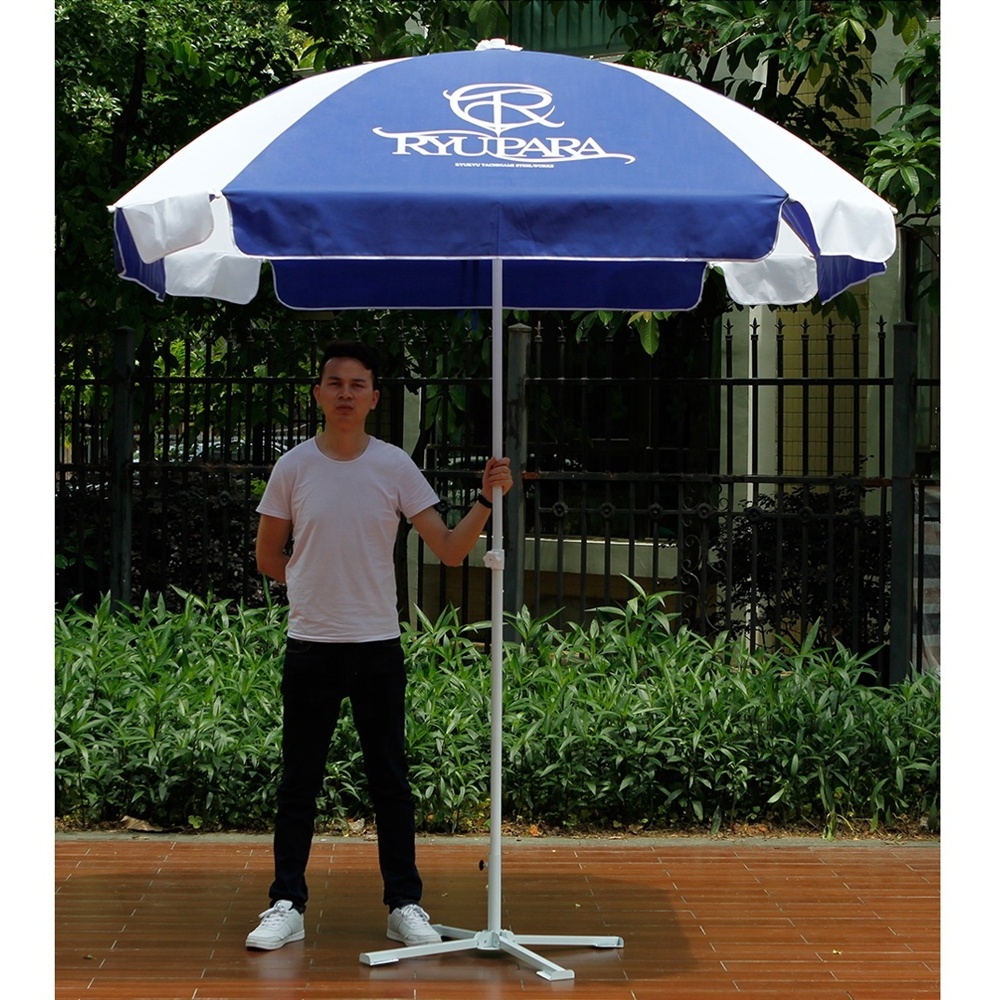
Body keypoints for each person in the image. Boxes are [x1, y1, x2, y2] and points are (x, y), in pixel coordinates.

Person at [245, 339, 513, 951]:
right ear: (319, 393)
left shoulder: (394, 466)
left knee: (390, 780)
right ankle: (286, 902)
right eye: (335, 383)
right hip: (311, 644)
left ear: (373, 397)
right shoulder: (293, 467)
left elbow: (450, 549)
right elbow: (267, 555)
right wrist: (313, 587)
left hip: (376, 646)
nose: (345, 393)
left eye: (357, 384)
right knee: (299, 781)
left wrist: (484, 499)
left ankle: (404, 904)